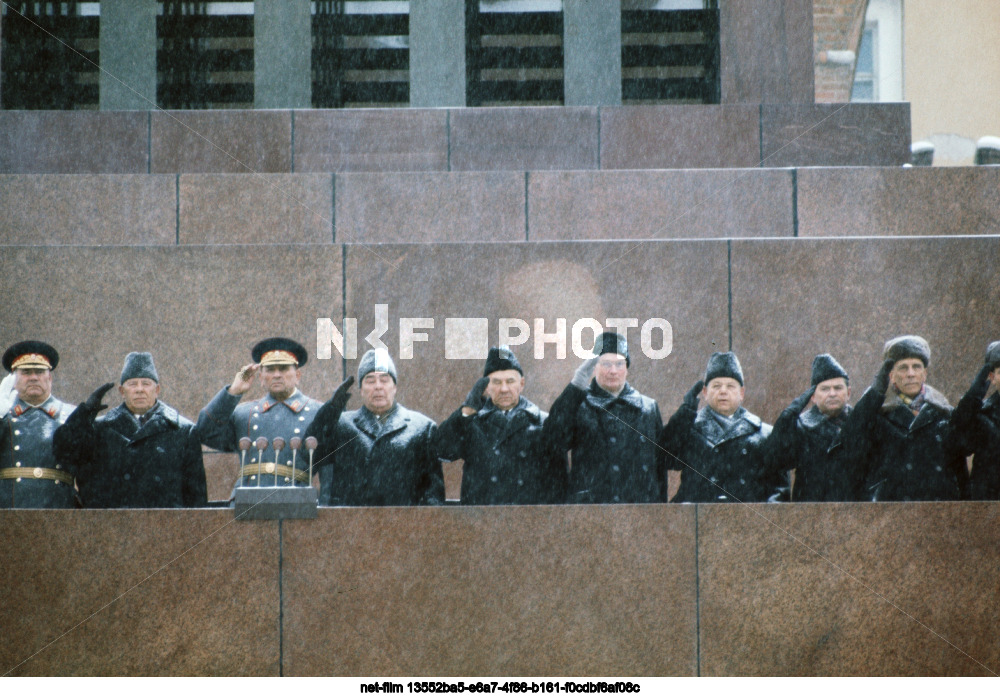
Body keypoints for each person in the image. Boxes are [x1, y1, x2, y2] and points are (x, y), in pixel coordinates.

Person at [53, 352, 206, 508]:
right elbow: (65, 453)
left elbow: (196, 497)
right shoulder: (99, 429)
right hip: (112, 525)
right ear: (122, 391)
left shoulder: (183, 431)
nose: (139, 389)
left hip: (165, 526)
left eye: (146, 383)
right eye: (133, 384)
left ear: (157, 389)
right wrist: (85, 414)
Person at [305, 348, 443, 506]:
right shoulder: (340, 424)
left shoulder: (422, 428)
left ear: (395, 387)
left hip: (404, 525)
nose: (378, 386)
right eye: (370, 381)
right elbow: (309, 458)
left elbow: (434, 494)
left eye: (384, 380)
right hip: (351, 524)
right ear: (361, 390)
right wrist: (330, 411)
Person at [543, 332, 665, 504]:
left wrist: (662, 513)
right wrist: (575, 388)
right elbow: (552, 441)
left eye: (619, 364)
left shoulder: (648, 408)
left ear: (627, 367)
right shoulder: (578, 404)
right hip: (591, 510)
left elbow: (659, 467)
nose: (613, 371)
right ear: (595, 367)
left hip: (640, 511)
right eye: (606, 364)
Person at [436, 346, 566, 504]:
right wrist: (466, 411)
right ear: (486, 387)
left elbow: (560, 481)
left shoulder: (544, 422)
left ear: (522, 384)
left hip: (530, 520)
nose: (504, 389)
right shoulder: (471, 421)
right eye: (496, 382)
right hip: (480, 520)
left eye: (510, 381)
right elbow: (442, 450)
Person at [850, 335, 968, 501]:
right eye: (903, 368)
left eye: (916, 367)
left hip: (938, 508)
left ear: (924, 373)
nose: (911, 374)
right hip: (889, 508)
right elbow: (851, 442)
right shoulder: (876, 415)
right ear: (891, 375)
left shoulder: (943, 413)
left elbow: (959, 470)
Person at [197, 337, 323, 490]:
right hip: (247, 502)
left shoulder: (318, 413)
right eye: (270, 369)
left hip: (297, 501)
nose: (277, 375)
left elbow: (331, 464)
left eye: (283, 368)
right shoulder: (244, 414)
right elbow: (204, 432)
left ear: (297, 376)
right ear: (261, 378)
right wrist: (232, 392)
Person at [662, 351, 781, 503]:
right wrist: (684, 415)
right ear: (705, 392)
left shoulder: (764, 434)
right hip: (696, 519)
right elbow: (664, 459)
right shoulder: (688, 429)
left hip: (747, 519)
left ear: (741, 393)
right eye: (716, 386)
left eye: (730, 386)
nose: (723, 391)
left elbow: (778, 489)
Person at [764, 354, 862, 501]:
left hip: (857, 511)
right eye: (825, 389)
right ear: (813, 396)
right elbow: (775, 461)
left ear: (848, 393)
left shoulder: (861, 423)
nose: (832, 393)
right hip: (811, 513)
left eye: (838, 388)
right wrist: (788, 417)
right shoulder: (801, 427)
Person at [0, 341, 76, 508]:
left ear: (49, 377)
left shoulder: (72, 415)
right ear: (13, 379)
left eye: (40, 372)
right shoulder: (3, 414)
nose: (34, 377)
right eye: (26, 372)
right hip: (9, 510)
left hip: (59, 508)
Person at [951, 341, 1000, 500]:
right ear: (992, 377)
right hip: (990, 505)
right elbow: (958, 441)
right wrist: (972, 397)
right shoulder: (981, 414)